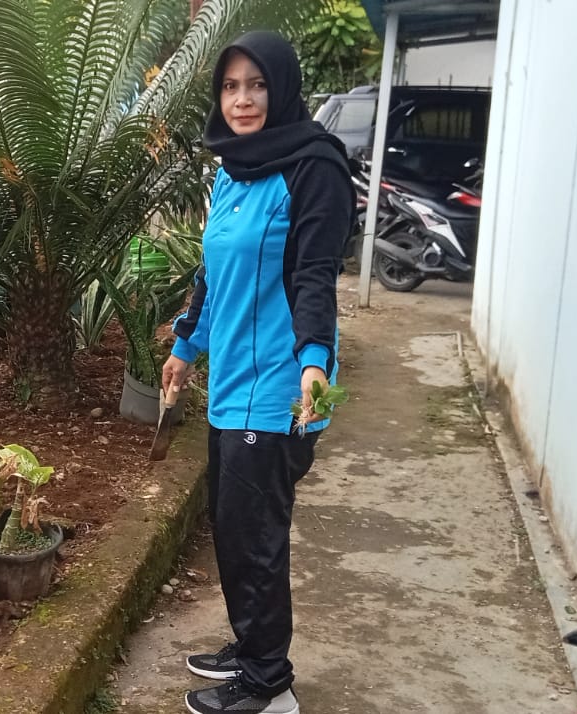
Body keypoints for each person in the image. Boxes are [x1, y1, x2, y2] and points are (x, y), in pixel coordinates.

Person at [160, 30, 354, 714]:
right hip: (230, 391)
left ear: (282, 87)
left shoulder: (312, 167)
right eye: (231, 86)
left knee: (258, 538)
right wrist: (187, 346)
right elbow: (214, 277)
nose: (243, 100)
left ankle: (270, 686)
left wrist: (312, 368)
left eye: (257, 84)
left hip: (278, 394)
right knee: (232, 527)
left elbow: (313, 279)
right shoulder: (232, 168)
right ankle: (251, 647)